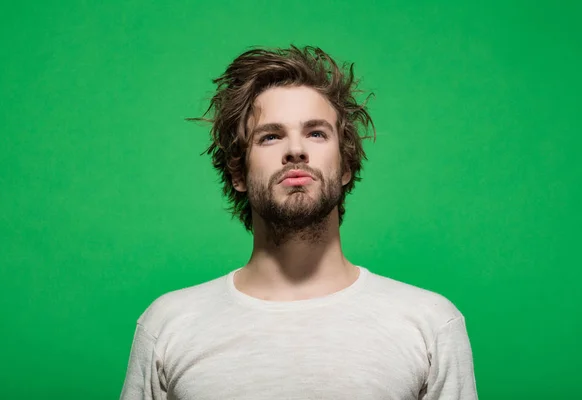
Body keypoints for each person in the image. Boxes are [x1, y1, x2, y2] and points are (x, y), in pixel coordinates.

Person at [119, 45, 478, 400]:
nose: (295, 150)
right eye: (271, 136)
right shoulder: (168, 325)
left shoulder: (430, 324)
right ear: (237, 173)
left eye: (317, 133)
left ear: (346, 167)